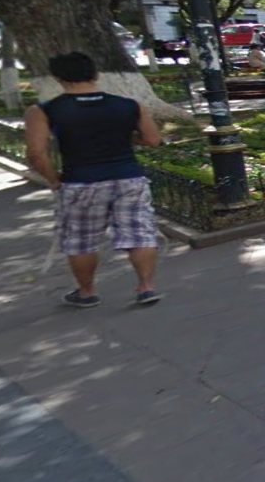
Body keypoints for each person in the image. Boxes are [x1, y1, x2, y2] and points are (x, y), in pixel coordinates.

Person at [23, 53, 164, 309]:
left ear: (57, 78)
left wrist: (54, 180)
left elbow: (36, 153)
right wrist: (125, 138)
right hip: (128, 178)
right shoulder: (129, 105)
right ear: (96, 74)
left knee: (81, 241)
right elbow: (153, 140)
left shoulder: (44, 110)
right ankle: (146, 287)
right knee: (140, 234)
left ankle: (87, 292)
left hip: (80, 181)